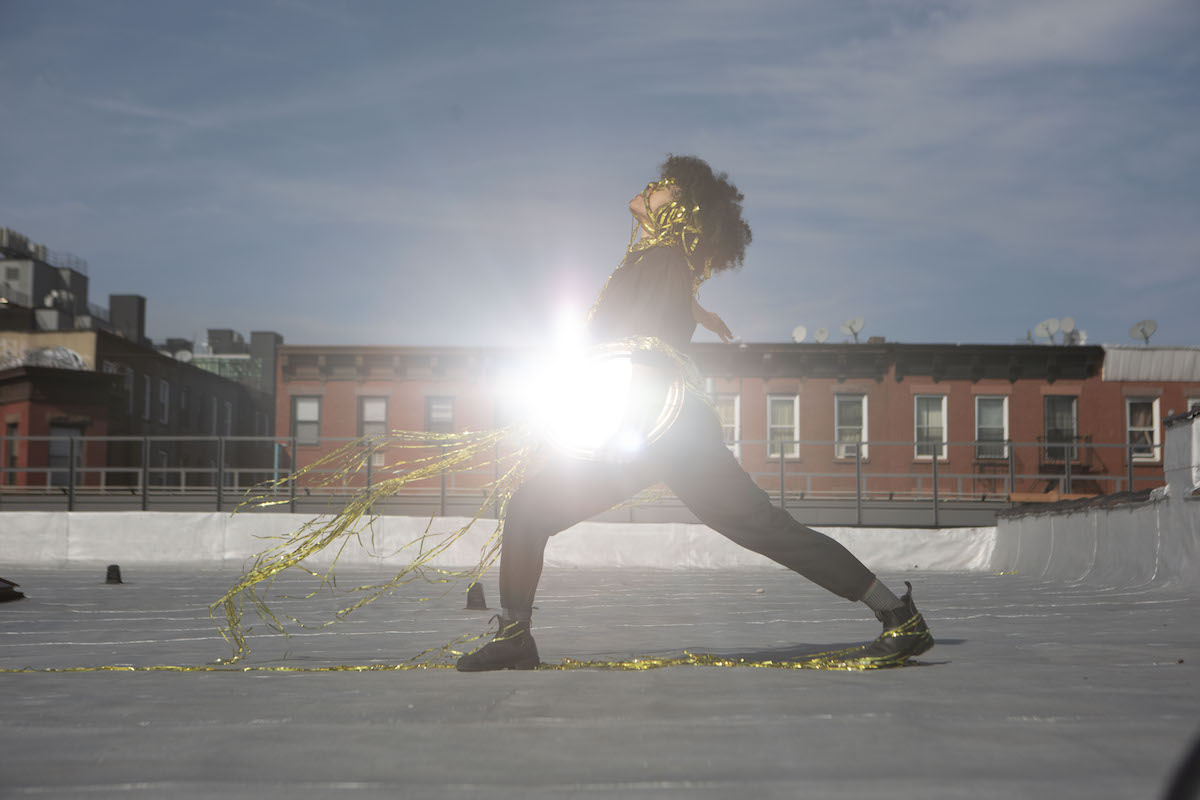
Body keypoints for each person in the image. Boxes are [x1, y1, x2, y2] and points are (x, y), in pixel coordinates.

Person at [456, 155, 932, 671]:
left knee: (763, 528)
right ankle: (515, 636)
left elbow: (650, 350)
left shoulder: (662, 262)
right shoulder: (658, 259)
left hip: (664, 429)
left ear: (683, 208)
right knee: (529, 510)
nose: (649, 187)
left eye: (664, 186)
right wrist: (694, 310)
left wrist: (629, 432)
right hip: (640, 429)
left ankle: (897, 614)